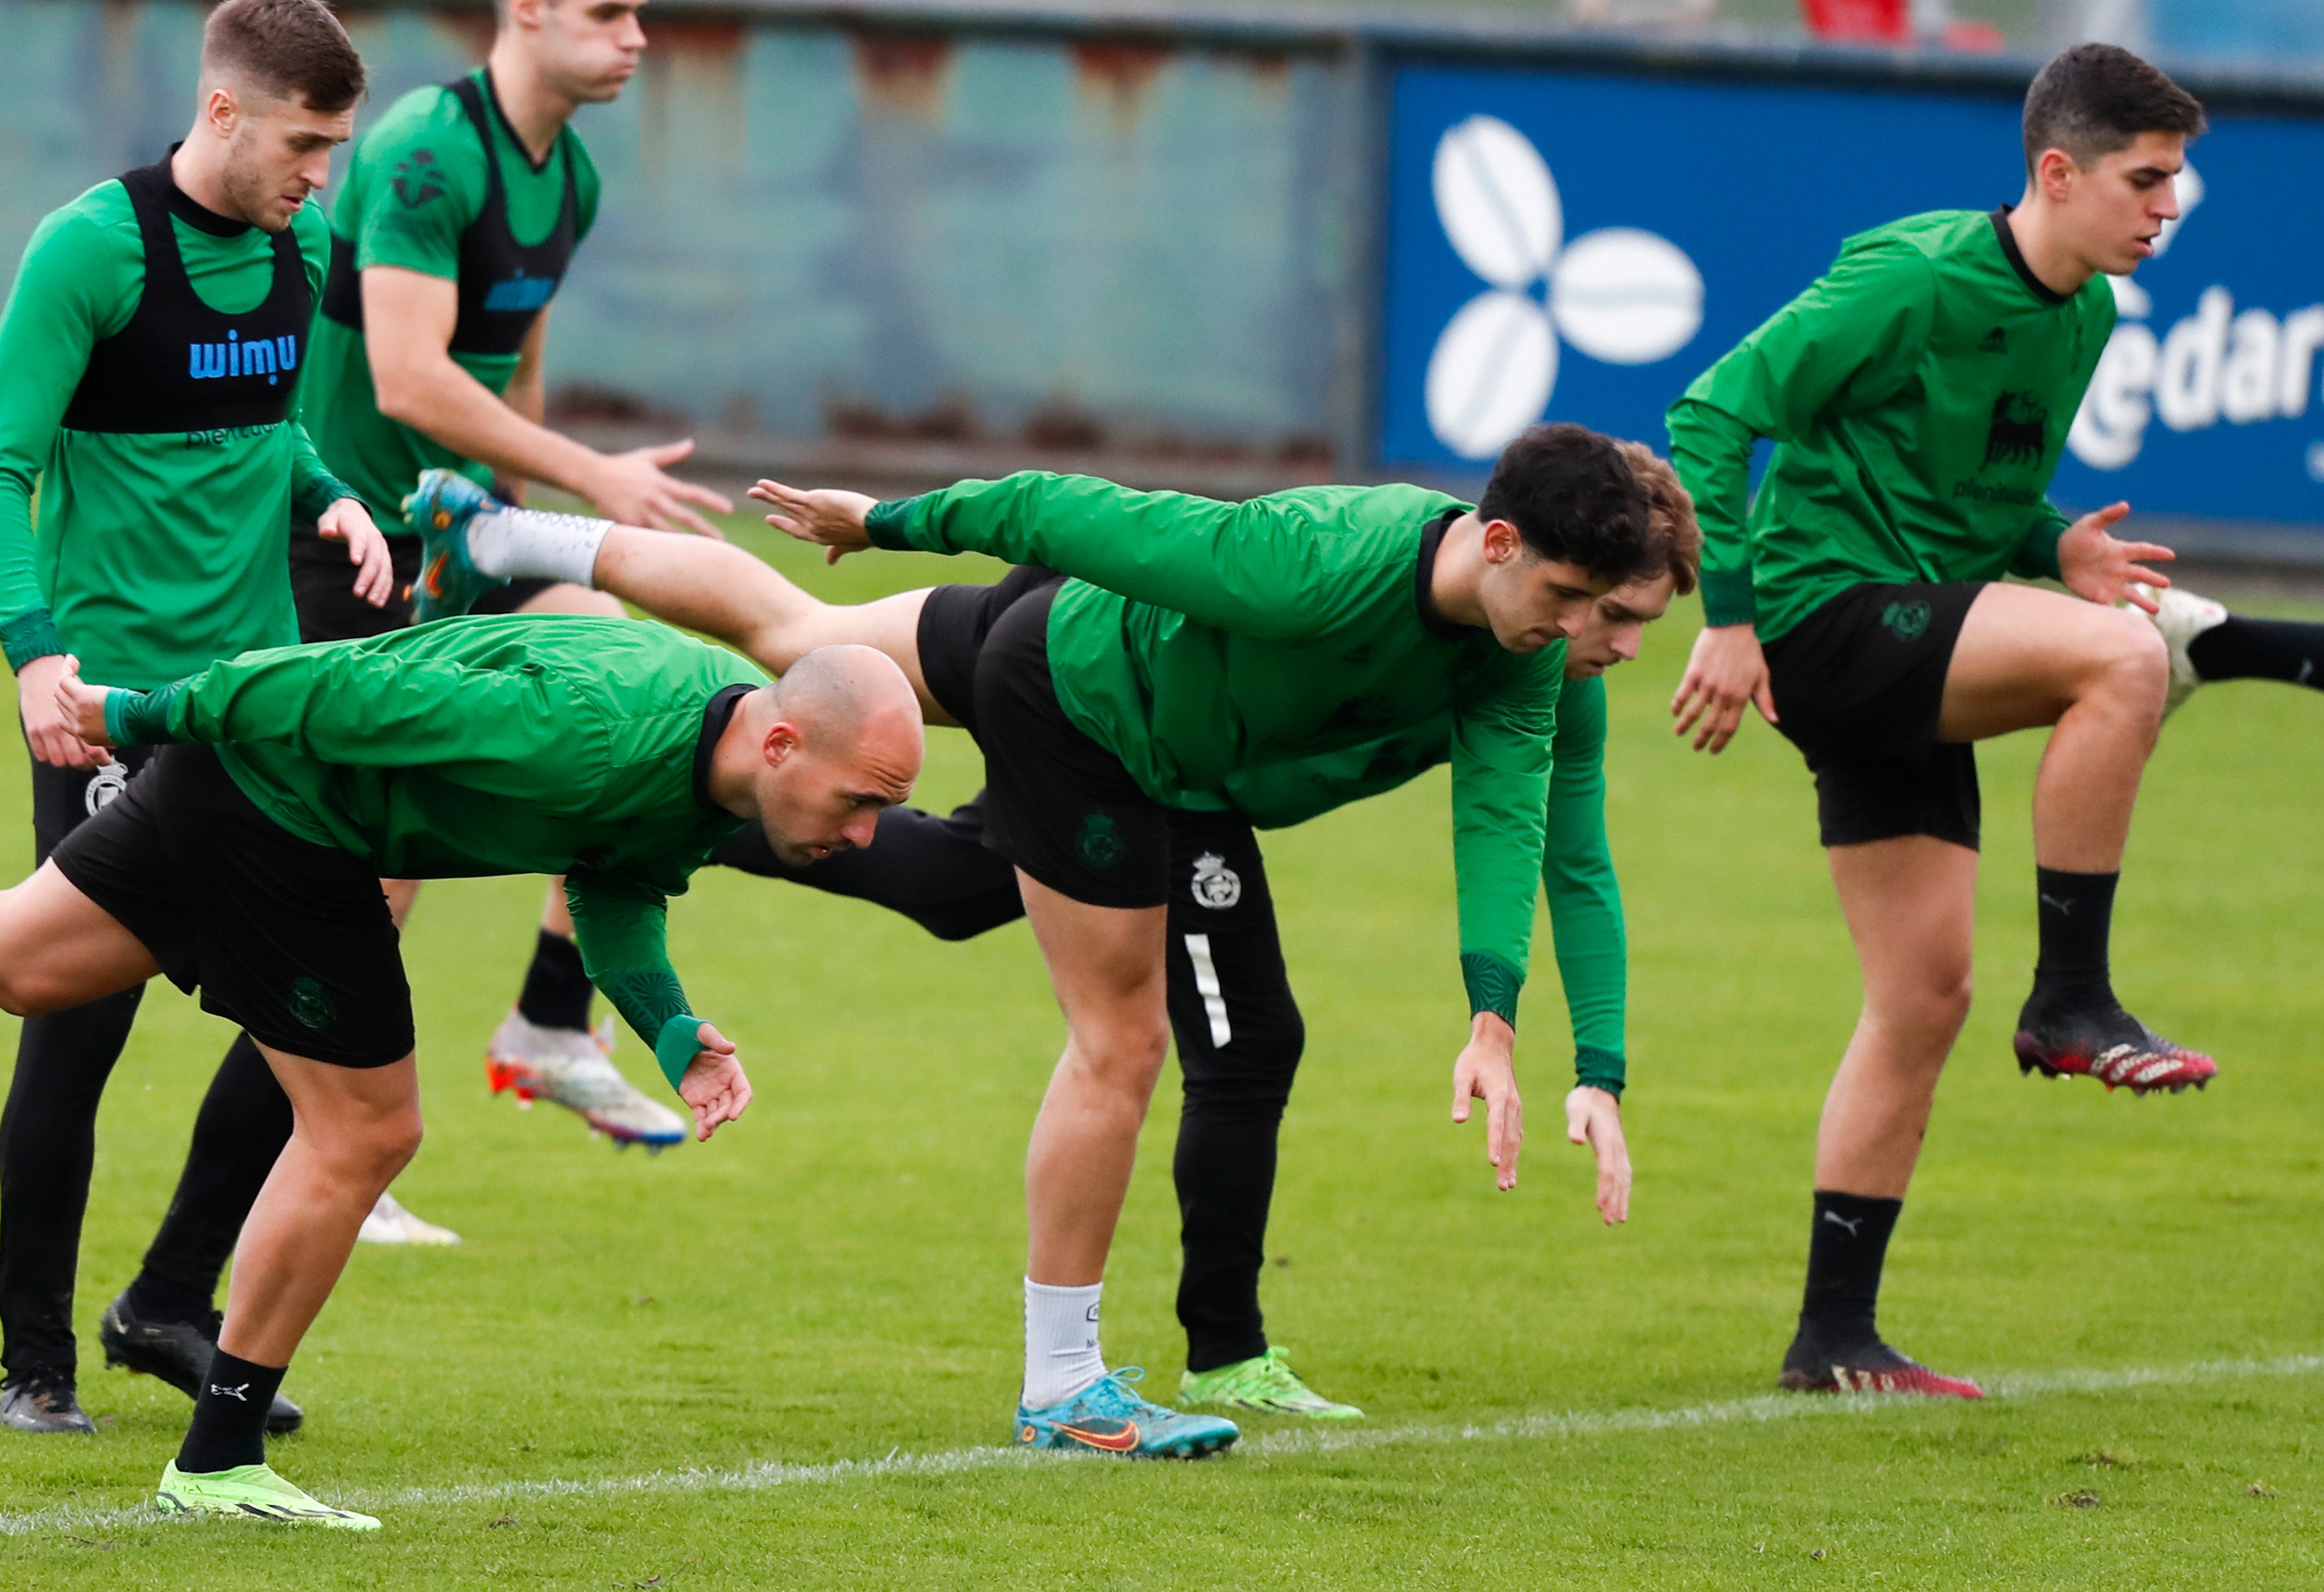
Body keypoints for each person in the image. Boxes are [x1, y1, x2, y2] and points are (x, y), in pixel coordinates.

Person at [423, 426, 1665, 1457]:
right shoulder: (1319, 557)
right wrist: (889, 518)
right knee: (1120, 1042)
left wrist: (1502, 1018)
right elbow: (1071, 508)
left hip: (1093, 671)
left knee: (808, 650)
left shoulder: (1521, 661)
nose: (1575, 633)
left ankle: (502, 541)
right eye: (1568, 599)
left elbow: (1515, 826)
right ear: (1498, 544)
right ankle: (1065, 1384)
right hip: (1090, 710)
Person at [0, 617, 924, 1526]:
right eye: (863, 803)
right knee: (369, 1129)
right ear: (785, 741)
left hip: (243, 798)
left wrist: (678, 1033)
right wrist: (144, 709)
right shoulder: (591, 725)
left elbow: (616, 888)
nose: (867, 836)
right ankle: (220, 1455)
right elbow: (335, 683)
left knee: (12, 954)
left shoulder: (707, 768)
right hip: (282, 809)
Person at [1665, 42, 2221, 1401]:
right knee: (2124, 665)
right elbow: (1713, 410)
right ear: (2056, 171)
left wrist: (2051, 546)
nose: (2166, 208)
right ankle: (2074, 995)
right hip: (1828, 614)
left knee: (1920, 996)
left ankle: (1833, 1337)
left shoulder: (2081, 313)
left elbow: (1952, 489)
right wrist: (1729, 616)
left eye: (2176, 184)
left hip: (1915, 621)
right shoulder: (1914, 273)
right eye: (2145, 181)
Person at [0, 0, 396, 1436]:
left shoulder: (299, 240)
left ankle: (168, 1304)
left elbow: (280, 423)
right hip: (116, 707)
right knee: (75, 1023)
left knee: (311, 1016)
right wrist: (34, 652)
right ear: (223, 109)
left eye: (333, 148)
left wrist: (334, 500)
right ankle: (35, 1362)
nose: (318, 177)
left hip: (260, 697)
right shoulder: (92, 250)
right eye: (304, 142)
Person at [284, 0, 715, 1148]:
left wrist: (532, 517)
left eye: (643, 13)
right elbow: (410, 377)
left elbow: (511, 359)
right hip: (353, 539)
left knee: (652, 697)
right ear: (524, 6)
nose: (638, 36)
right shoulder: (427, 148)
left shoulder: (567, 172)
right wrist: (594, 476)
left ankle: (549, 1023)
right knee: (378, 866)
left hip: (471, 530)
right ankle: (323, 1150)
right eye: (611, 12)